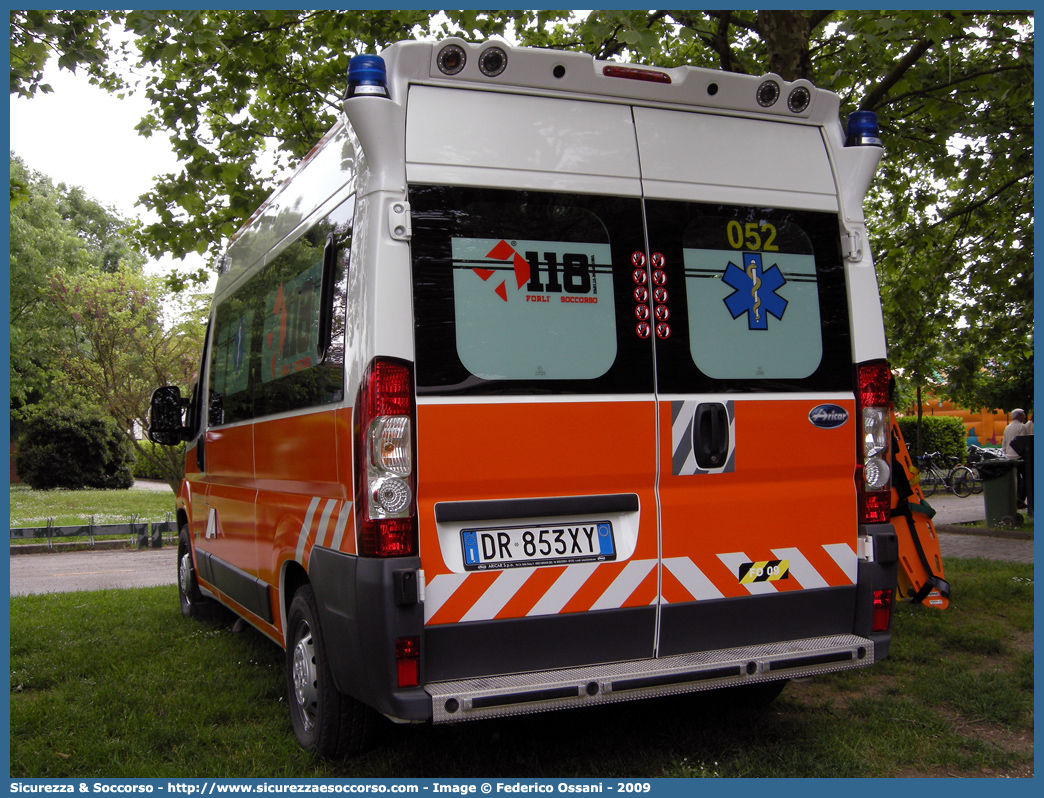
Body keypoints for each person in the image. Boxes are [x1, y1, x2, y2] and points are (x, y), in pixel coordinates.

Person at [1002, 409, 1029, 508]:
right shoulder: (1022, 427)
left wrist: (1006, 453)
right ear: (1019, 416)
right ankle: (1020, 499)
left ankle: (1013, 499)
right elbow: (1023, 442)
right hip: (1020, 457)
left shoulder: (1007, 428)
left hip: (1009, 457)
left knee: (1014, 479)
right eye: (1023, 415)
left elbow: (1004, 443)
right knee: (1026, 478)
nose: (1025, 416)